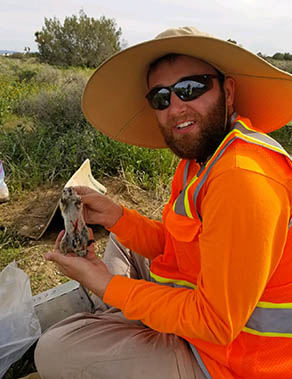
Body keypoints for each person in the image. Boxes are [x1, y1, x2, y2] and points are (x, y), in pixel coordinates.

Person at [34, 27, 292, 378]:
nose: (176, 107)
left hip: (229, 360)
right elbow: (176, 247)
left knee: (54, 350)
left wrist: (106, 285)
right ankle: (126, 320)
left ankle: (120, 319)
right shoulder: (200, 159)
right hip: (198, 318)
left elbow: (215, 323)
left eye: (192, 88)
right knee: (122, 242)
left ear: (228, 91)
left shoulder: (241, 178)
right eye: (160, 97)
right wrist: (116, 217)